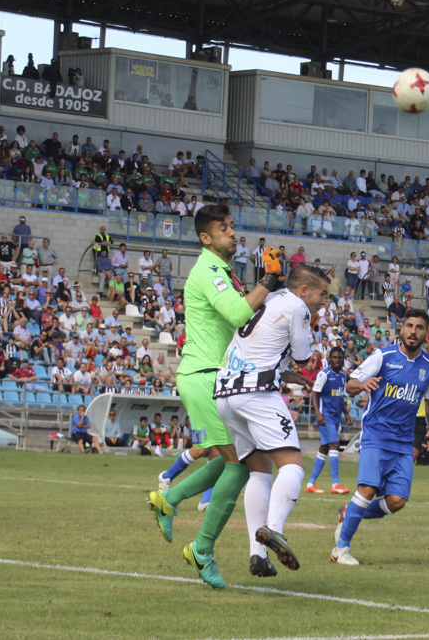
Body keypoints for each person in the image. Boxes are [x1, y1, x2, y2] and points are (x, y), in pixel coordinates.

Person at [146, 203, 281, 590]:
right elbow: (238, 314)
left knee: (232, 462)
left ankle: (167, 501)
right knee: (243, 465)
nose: (232, 233)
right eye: (224, 228)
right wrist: (268, 281)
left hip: (216, 377)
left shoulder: (222, 270)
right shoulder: (207, 270)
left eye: (232, 226)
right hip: (205, 376)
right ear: (205, 238)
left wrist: (273, 283)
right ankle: (202, 548)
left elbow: (246, 318)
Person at [215, 263, 329, 577]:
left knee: (261, 471)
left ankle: (258, 554)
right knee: (292, 463)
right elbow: (305, 357)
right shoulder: (297, 306)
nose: (324, 301)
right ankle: (274, 528)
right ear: (304, 290)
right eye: (322, 294)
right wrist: (308, 330)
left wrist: (282, 372)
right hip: (256, 393)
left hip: (225, 392)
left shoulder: (268, 296)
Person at [331, 309, 429, 567]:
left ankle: (349, 512)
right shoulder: (383, 356)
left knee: (396, 501)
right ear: (401, 329)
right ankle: (341, 549)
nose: (413, 331)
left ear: (426, 332)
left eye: (419, 327)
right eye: (409, 326)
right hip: (376, 434)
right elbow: (349, 384)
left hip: (403, 442)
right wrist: (363, 385)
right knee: (367, 490)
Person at [305, 346, 353, 495]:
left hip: (336, 416)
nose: (337, 360)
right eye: (335, 357)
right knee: (334, 444)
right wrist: (318, 414)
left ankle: (310, 483)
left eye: (340, 358)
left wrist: (346, 414)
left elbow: (340, 397)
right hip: (326, 417)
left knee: (324, 448)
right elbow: (314, 394)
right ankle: (335, 484)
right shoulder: (323, 374)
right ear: (329, 359)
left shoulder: (344, 377)